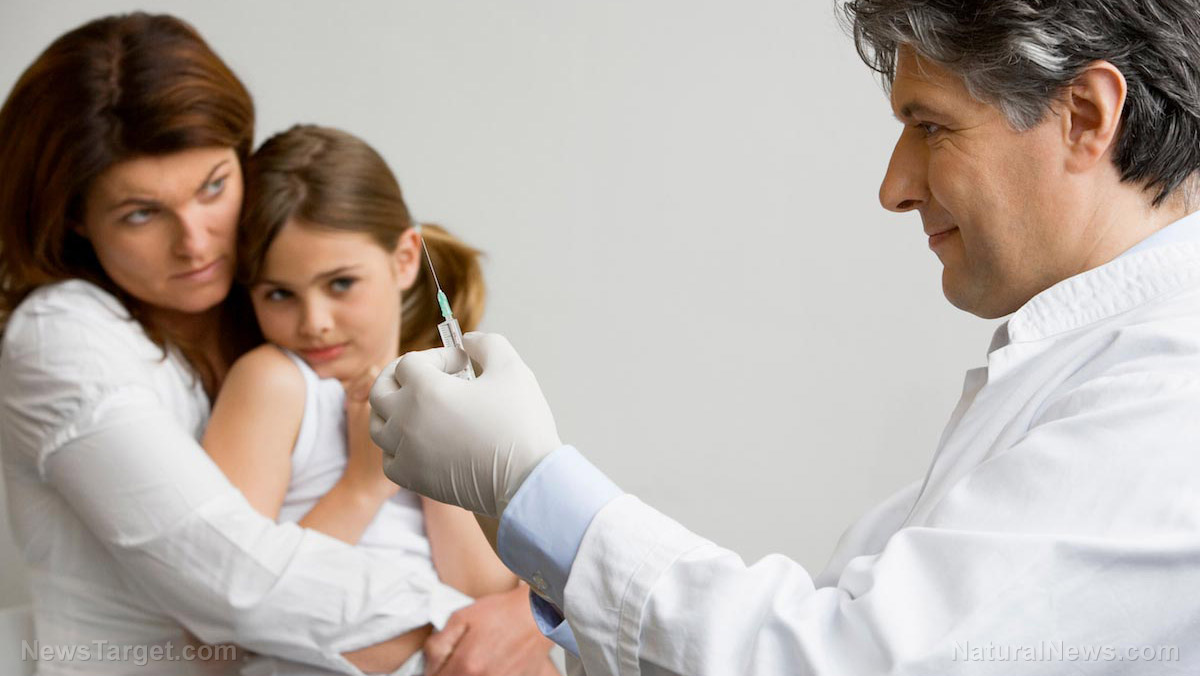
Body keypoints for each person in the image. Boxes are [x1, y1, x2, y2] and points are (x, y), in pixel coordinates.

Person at [368, 1, 1200, 674]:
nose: (894, 187)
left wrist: (529, 484)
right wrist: (520, 521)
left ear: (1085, 116)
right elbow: (803, 627)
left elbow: (838, 664)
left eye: (931, 126)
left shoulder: (1172, 391)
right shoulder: (1076, 370)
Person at [0, 13, 553, 675]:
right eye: (141, 213)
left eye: (213, 187)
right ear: (75, 219)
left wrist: (522, 608)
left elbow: (493, 568)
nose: (196, 243)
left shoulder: (271, 310)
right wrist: (475, 630)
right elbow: (235, 590)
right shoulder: (66, 338)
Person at [203, 123, 556, 674]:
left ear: (405, 258)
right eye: (279, 294)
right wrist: (363, 485)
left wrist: (434, 441)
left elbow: (478, 590)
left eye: (341, 284)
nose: (314, 322)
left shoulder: (443, 387)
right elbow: (228, 595)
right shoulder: (274, 382)